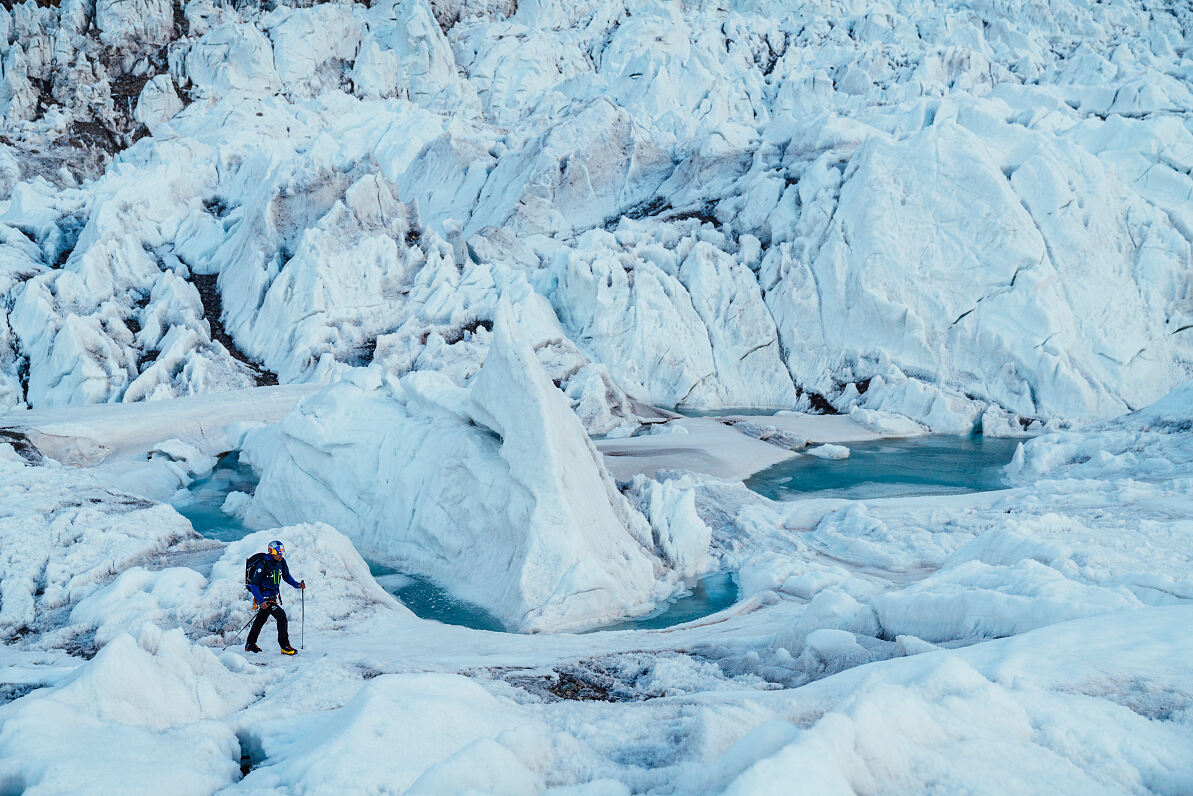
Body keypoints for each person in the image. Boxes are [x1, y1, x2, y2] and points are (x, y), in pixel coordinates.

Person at [245, 540, 306, 655]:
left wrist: (298, 585)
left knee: (261, 618)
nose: (280, 555)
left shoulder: (281, 562)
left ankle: (250, 644)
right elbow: (253, 585)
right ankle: (284, 646)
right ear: (271, 552)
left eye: (281, 553)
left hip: (273, 596)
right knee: (281, 616)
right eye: (278, 553)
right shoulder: (262, 565)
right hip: (265, 598)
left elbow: (286, 577)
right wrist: (261, 600)